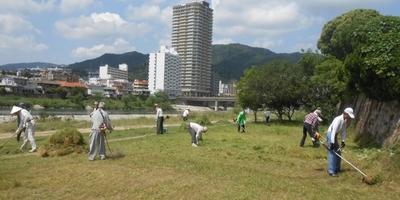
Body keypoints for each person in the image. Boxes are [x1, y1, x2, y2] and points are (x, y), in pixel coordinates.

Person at [326, 107, 355, 177]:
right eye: (349, 116)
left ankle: (337, 168)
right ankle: (331, 171)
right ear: (345, 114)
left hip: (334, 135)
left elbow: (343, 131)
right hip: (331, 134)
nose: (349, 118)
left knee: (338, 152)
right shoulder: (338, 119)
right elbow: (333, 131)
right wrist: (332, 142)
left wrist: (343, 141)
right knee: (332, 152)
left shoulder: (344, 120)